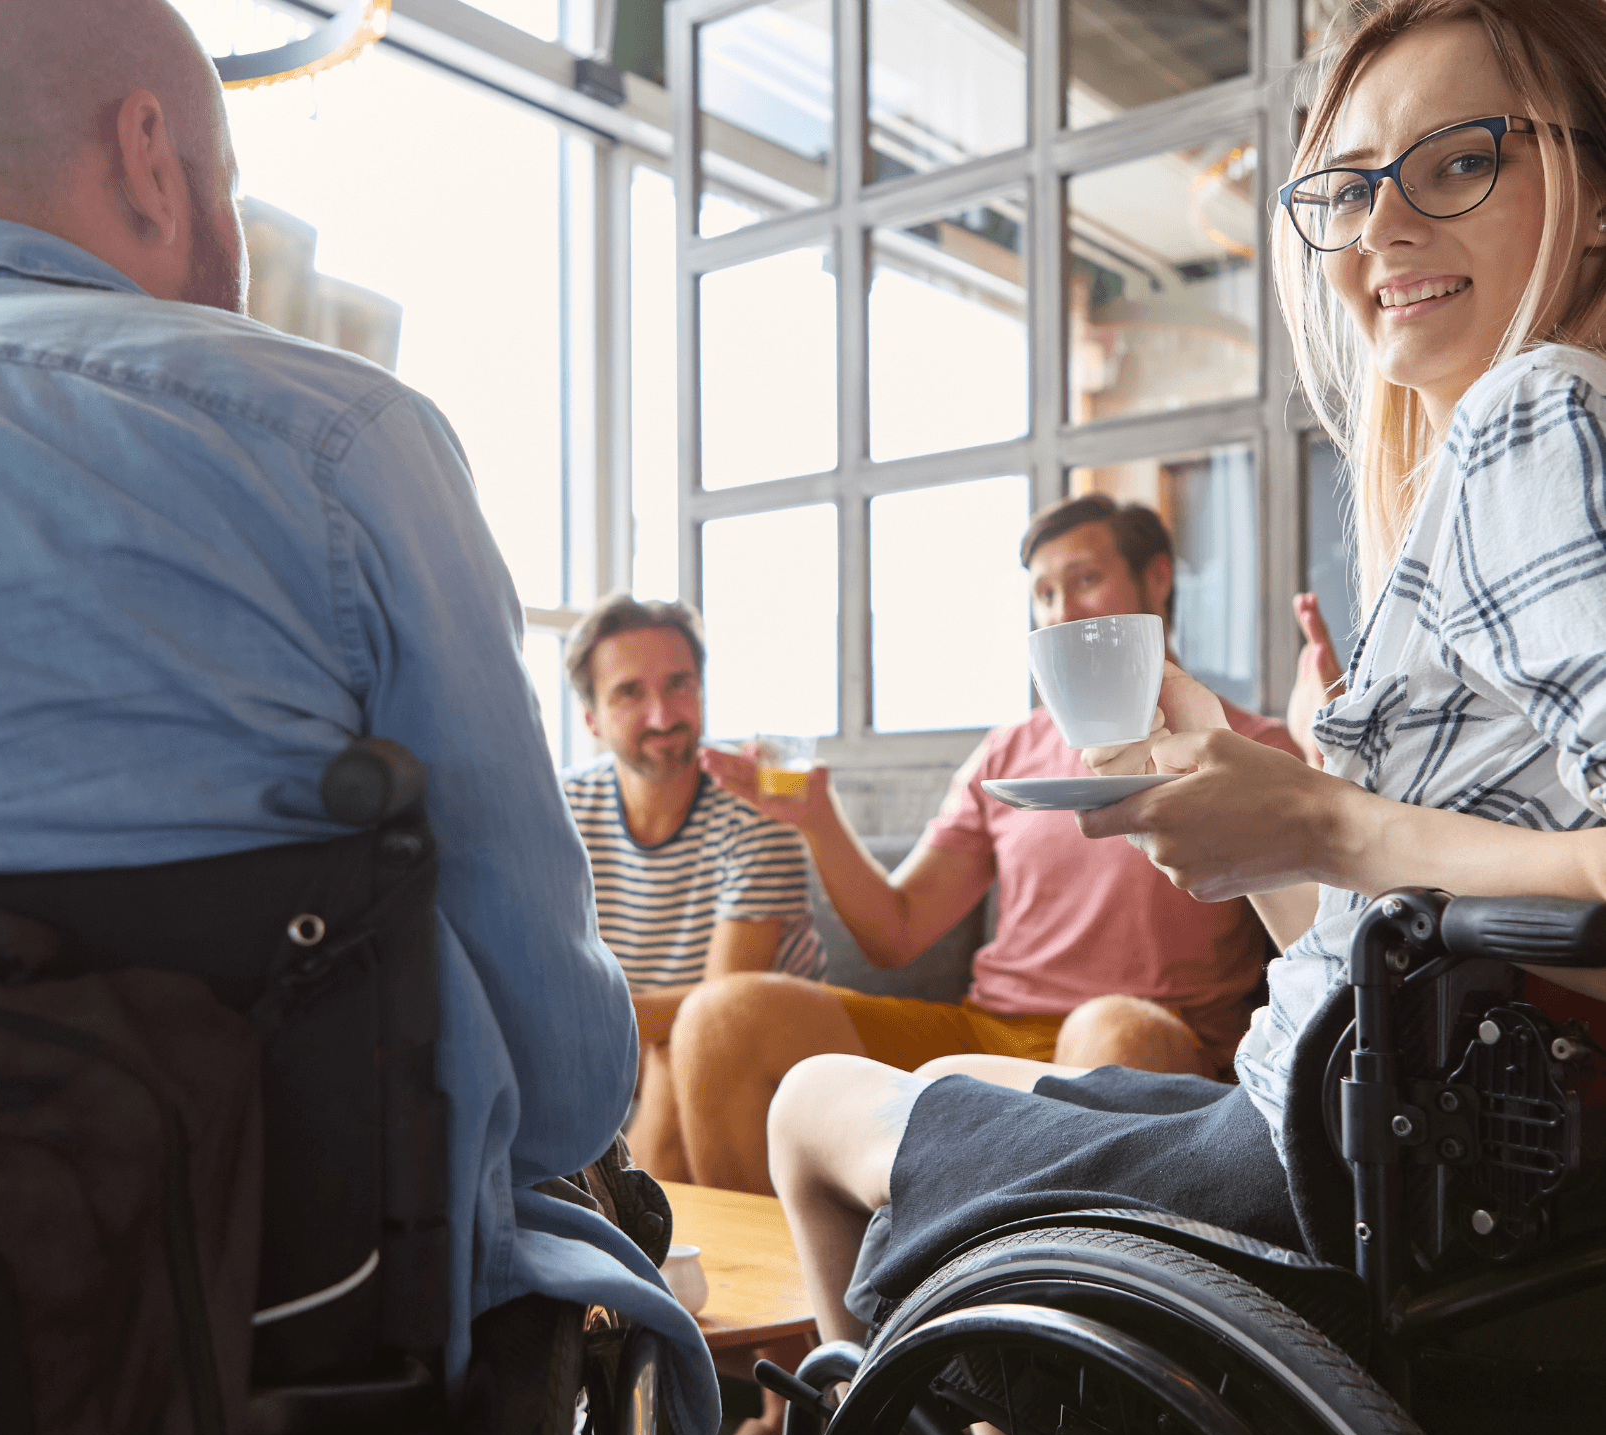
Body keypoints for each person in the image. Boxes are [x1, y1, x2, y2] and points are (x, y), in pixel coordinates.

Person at [768, 0, 1606, 1347]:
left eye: (1459, 162)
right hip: (1384, 1159)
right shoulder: (1521, 453)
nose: (1383, 230)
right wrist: (1266, 818)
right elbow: (1397, 974)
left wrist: (1333, 817)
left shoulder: (1530, 415)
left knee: (811, 1102)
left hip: (1320, 1186)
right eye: (1347, 188)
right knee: (966, 1077)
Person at [0, 0, 718, 1435]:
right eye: (231, 184)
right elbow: (567, 1086)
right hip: (302, 1332)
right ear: (149, 156)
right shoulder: (330, 439)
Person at [677, 495, 1304, 1193]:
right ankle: (791, 1298)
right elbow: (896, 933)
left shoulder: (1254, 747)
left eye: (1085, 579)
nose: (1061, 610)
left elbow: (1318, 936)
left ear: (1156, 579)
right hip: (989, 1033)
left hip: (1150, 1036)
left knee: (1110, 1033)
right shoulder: (1008, 753)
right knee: (720, 1016)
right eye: (1043, 592)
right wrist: (817, 817)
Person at [560, 594, 825, 1183]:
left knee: (680, 1045)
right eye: (630, 693)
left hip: (754, 1075)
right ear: (592, 719)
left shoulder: (758, 806)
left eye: (679, 685)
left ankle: (638, 1256)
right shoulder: (561, 810)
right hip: (611, 1071)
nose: (662, 715)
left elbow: (718, 1010)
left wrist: (580, 1025)